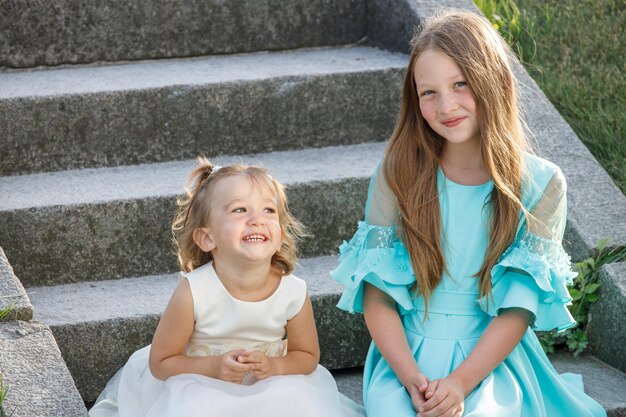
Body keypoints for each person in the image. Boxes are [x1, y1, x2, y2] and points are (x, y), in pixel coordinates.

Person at [331, 9, 606, 417]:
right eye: (429, 92)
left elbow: (518, 307)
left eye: (461, 84)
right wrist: (413, 381)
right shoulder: (397, 174)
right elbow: (377, 297)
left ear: (492, 80)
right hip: (407, 361)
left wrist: (460, 383)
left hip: (491, 362)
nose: (446, 105)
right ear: (415, 99)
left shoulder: (541, 183)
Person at [90, 159, 365, 417]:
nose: (257, 219)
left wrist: (274, 366)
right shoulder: (194, 292)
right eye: (239, 210)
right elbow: (161, 362)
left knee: (298, 400)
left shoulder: (292, 291)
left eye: (269, 210)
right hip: (201, 380)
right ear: (208, 237)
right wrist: (214, 367)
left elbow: (307, 356)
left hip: (270, 383)